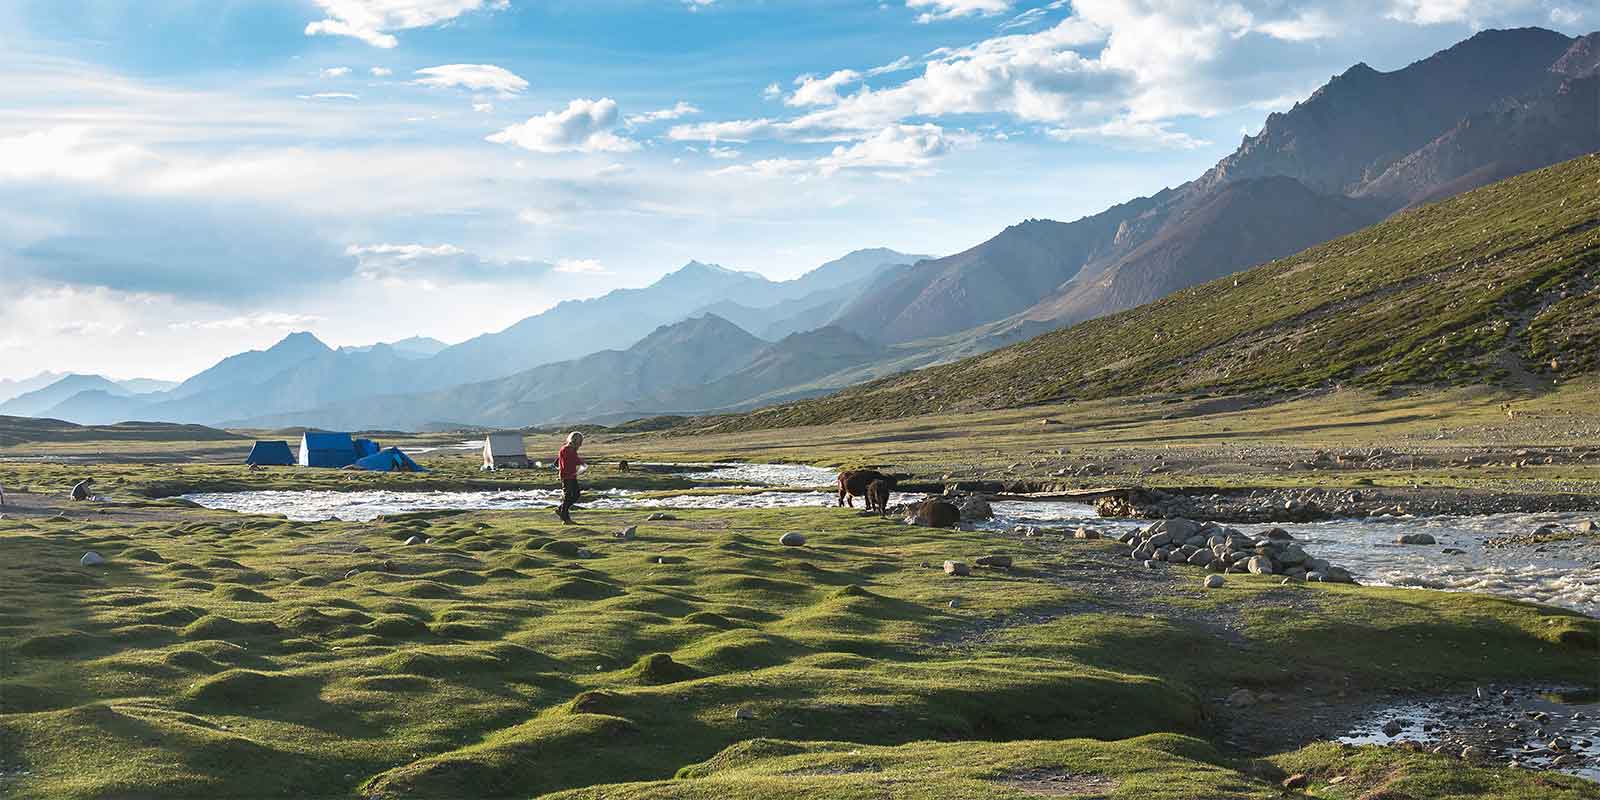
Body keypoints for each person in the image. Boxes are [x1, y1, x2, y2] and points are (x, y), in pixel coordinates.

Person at [555, 432, 585, 524]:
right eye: (580, 441)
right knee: (569, 496)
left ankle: (561, 510)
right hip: (567, 476)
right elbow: (572, 461)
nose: (580, 444)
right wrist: (581, 463)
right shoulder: (567, 450)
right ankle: (565, 518)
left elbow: (558, 461)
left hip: (571, 475)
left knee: (575, 495)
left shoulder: (570, 449)